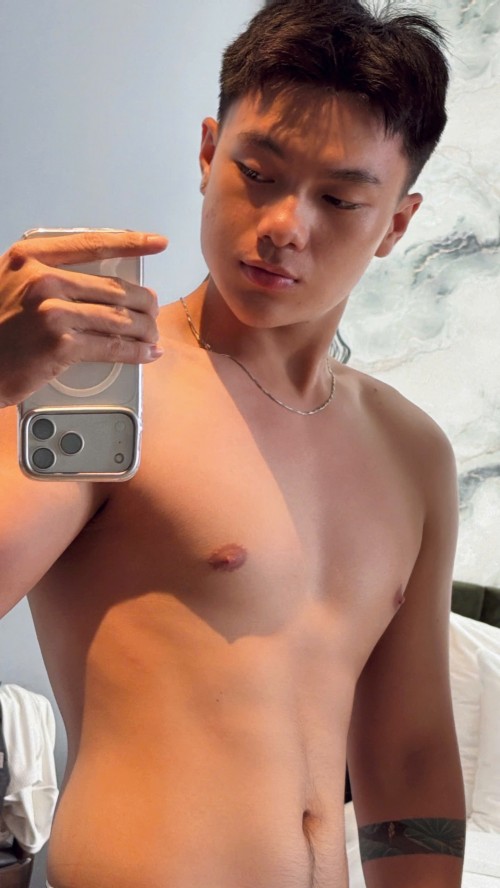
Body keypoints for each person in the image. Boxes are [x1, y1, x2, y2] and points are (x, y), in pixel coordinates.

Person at [0, 0, 466, 886]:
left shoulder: (413, 452)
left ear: (397, 225)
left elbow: (407, 755)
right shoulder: (108, 387)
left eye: (339, 199)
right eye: (258, 173)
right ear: (209, 154)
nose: (286, 224)